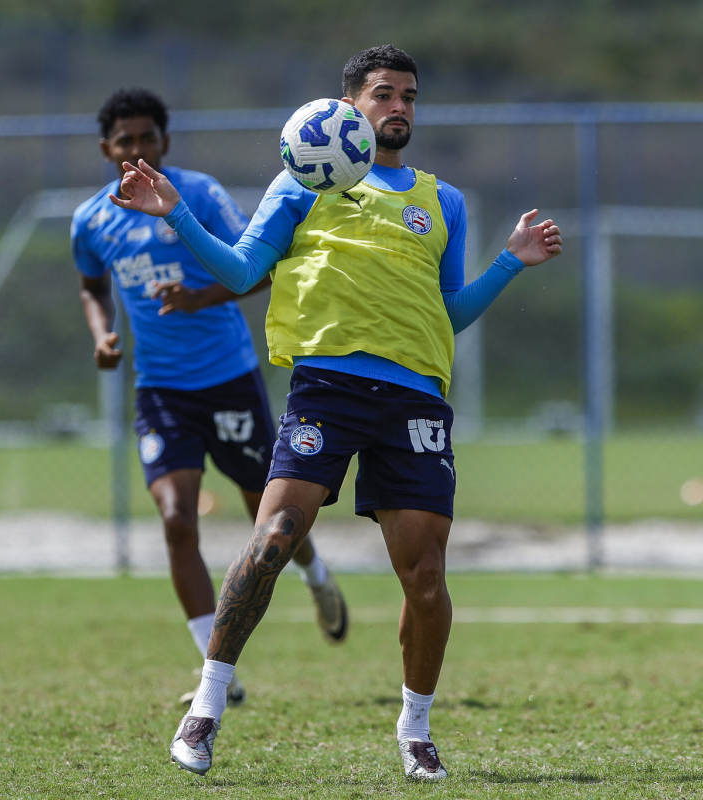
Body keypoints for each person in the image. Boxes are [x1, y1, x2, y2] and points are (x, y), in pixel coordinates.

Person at [108, 47, 563, 782]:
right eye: (385, 94)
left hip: (415, 397)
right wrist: (176, 214)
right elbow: (242, 272)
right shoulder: (301, 181)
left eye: (410, 95)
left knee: (424, 575)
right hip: (327, 389)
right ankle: (207, 703)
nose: (401, 107)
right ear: (348, 106)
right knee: (274, 538)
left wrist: (509, 262)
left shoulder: (442, 201)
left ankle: (415, 729)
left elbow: (449, 314)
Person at [72, 87, 349, 708]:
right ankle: (213, 669)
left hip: (227, 379)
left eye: (147, 137)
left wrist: (201, 297)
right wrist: (103, 333)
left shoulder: (198, 195)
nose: (136, 149)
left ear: (164, 142)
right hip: (161, 391)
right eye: (125, 141)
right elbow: (92, 286)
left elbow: (260, 269)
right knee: (176, 519)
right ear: (106, 148)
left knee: (272, 519)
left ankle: (316, 574)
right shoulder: (91, 219)